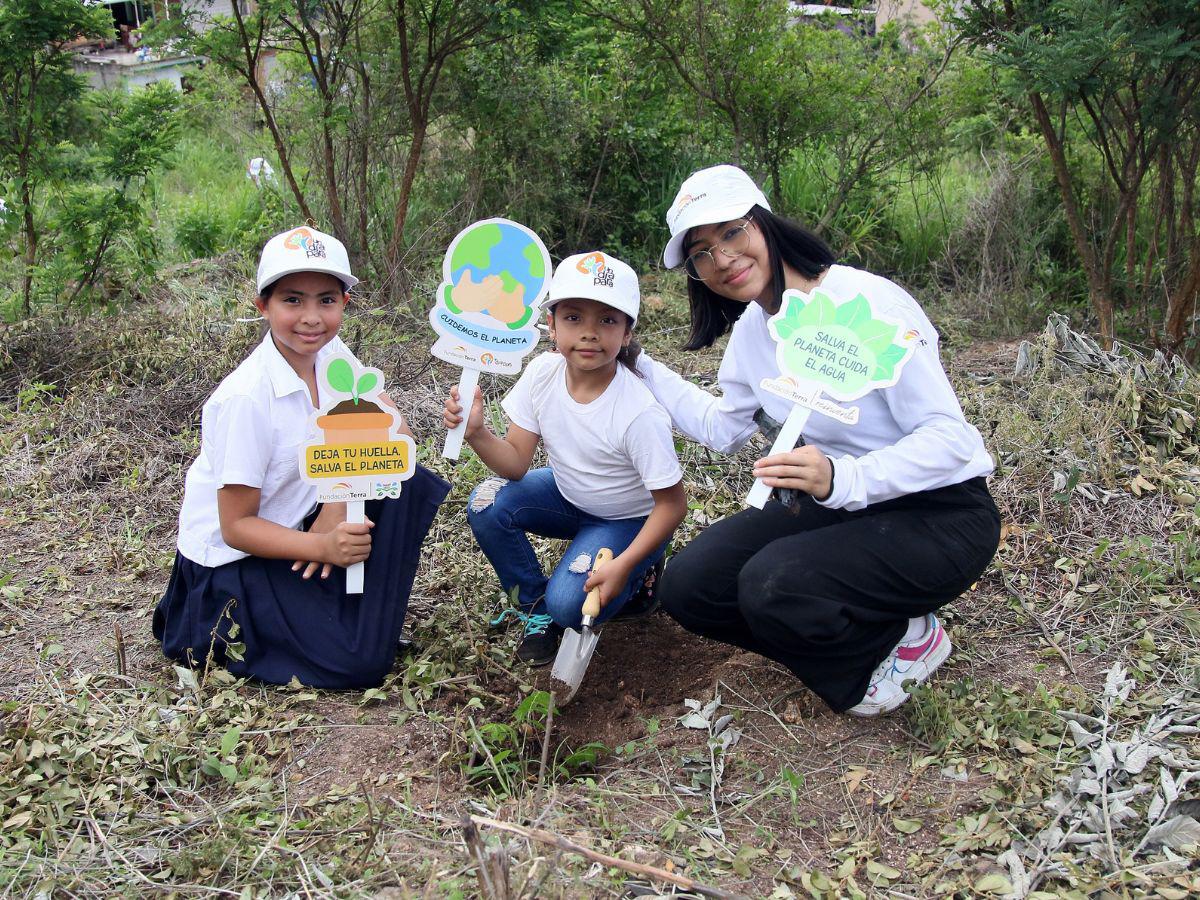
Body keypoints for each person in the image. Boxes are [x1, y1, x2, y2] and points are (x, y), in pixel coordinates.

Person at [637, 165, 1001, 716]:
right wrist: (637, 363)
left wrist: (842, 477)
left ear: (764, 224)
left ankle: (899, 648)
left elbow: (953, 442)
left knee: (772, 585)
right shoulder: (755, 331)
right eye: (702, 253)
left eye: (732, 233)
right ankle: (865, 631)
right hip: (844, 510)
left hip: (938, 514)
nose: (723, 260)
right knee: (691, 585)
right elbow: (722, 427)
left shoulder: (867, 302)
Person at [153, 226, 449, 688]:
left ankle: (338, 608)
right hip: (232, 567)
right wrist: (321, 546)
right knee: (362, 665)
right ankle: (323, 614)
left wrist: (336, 500)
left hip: (302, 519)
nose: (311, 317)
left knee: (406, 483)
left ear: (344, 304)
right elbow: (236, 528)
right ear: (263, 305)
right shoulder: (246, 398)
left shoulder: (331, 354)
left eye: (326, 300)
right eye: (293, 300)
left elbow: (398, 441)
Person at [443, 252, 687, 665]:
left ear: (627, 333)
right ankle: (535, 605)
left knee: (570, 606)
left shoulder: (638, 413)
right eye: (573, 317)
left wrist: (624, 565)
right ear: (551, 325)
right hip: (567, 495)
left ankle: (642, 574)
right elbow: (517, 463)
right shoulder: (543, 373)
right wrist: (478, 433)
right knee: (487, 503)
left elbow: (672, 505)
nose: (589, 333)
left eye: (607, 320)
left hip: (628, 519)